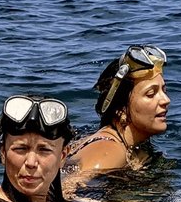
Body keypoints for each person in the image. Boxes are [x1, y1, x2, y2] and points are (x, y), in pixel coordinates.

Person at [64, 45, 171, 181]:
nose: (166, 100)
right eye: (151, 94)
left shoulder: (124, 145)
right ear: (120, 109)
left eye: (164, 90)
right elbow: (64, 192)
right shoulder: (109, 152)